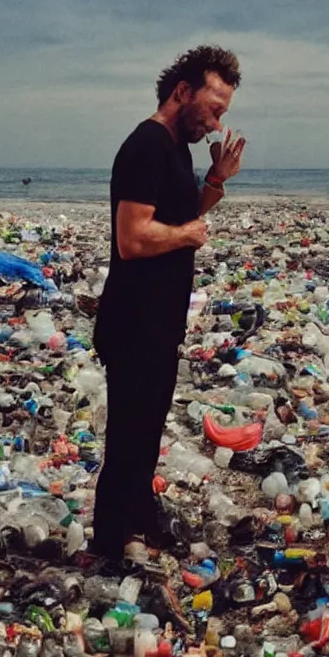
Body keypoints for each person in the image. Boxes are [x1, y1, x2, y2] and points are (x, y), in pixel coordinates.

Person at [90, 45, 247, 564]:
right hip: (133, 319)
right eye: (215, 107)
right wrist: (186, 235)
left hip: (160, 320)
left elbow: (184, 214)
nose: (219, 120)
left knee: (148, 430)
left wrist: (217, 179)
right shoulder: (146, 146)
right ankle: (111, 545)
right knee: (128, 435)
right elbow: (133, 238)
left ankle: (140, 520)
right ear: (183, 92)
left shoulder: (177, 150)